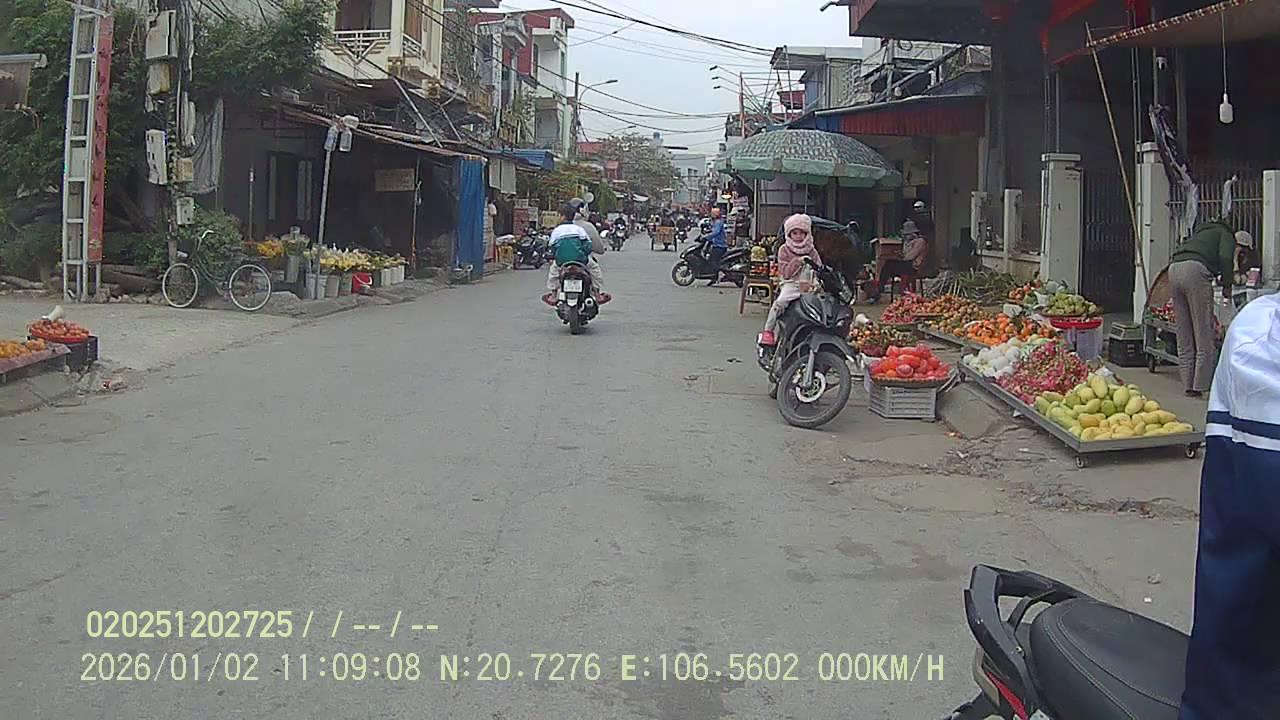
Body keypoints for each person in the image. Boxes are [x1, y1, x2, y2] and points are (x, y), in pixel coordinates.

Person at [1178, 292, 1280, 720]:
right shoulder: (1263, 337)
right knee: (1198, 336)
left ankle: (1191, 381)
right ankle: (1192, 381)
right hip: (1245, 694)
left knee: (1193, 338)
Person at [1167, 218, 1252, 397]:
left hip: (1173, 270)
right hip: (1195, 272)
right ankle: (1200, 385)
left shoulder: (1202, 232)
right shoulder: (1226, 235)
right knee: (1203, 331)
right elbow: (1225, 258)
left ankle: (1188, 384)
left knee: (1184, 333)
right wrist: (1227, 285)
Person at [758, 214, 822, 346]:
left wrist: (817, 281)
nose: (798, 236)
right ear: (789, 234)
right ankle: (768, 331)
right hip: (791, 285)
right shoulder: (784, 250)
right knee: (780, 303)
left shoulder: (812, 250)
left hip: (810, 286)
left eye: (802, 233)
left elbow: (819, 268)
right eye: (795, 233)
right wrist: (797, 262)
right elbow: (785, 273)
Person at [543, 199, 610, 305]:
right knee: (595, 270)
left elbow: (552, 247)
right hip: (581, 260)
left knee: (553, 272)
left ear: (562, 216)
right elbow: (587, 246)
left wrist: (556, 256)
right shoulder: (579, 229)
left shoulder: (556, 230)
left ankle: (553, 295)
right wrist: (584, 253)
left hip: (562, 262)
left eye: (558, 215)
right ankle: (597, 294)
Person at [705, 207, 728, 284]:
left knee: (713, 261)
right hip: (717, 244)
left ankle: (720, 274)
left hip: (719, 245)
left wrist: (707, 237)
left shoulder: (718, 222)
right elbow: (713, 231)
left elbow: (716, 232)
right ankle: (714, 276)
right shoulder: (716, 222)